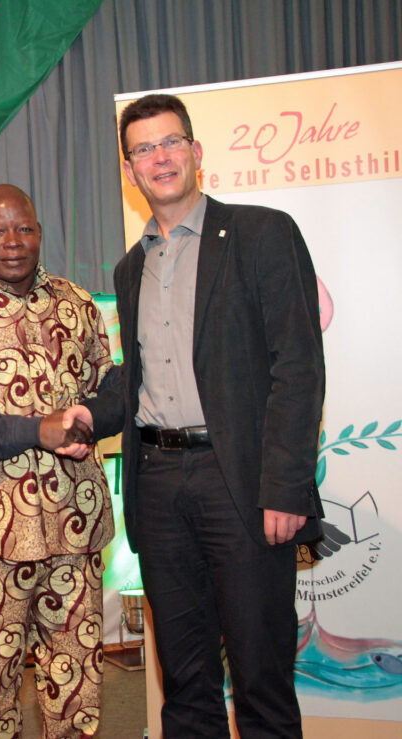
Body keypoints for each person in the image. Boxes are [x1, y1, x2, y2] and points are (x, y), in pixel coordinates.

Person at [62, 94, 325, 738]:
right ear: (130, 170)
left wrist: (284, 486)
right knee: (183, 682)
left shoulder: (262, 234)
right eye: (144, 149)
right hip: (158, 487)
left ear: (196, 151)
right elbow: (139, 376)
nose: (160, 158)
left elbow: (298, 367)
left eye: (170, 142)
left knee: (261, 677)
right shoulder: (131, 268)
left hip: (240, 482)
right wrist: (89, 415)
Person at [0, 184, 115, 738]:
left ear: (39, 232)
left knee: (78, 685)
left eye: (24, 229)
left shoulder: (78, 304)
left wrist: (89, 422)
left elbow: (107, 391)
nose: (13, 242)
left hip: (76, 526)